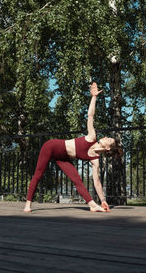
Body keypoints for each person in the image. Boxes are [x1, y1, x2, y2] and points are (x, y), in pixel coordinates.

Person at [24, 82, 123, 213]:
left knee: (77, 180)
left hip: (63, 158)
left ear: (108, 148)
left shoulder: (95, 159)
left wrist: (103, 200)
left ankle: (93, 205)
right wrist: (94, 97)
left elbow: (97, 182)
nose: (105, 137)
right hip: (51, 147)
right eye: (107, 137)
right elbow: (90, 116)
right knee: (38, 174)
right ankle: (27, 205)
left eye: (108, 140)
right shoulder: (92, 137)